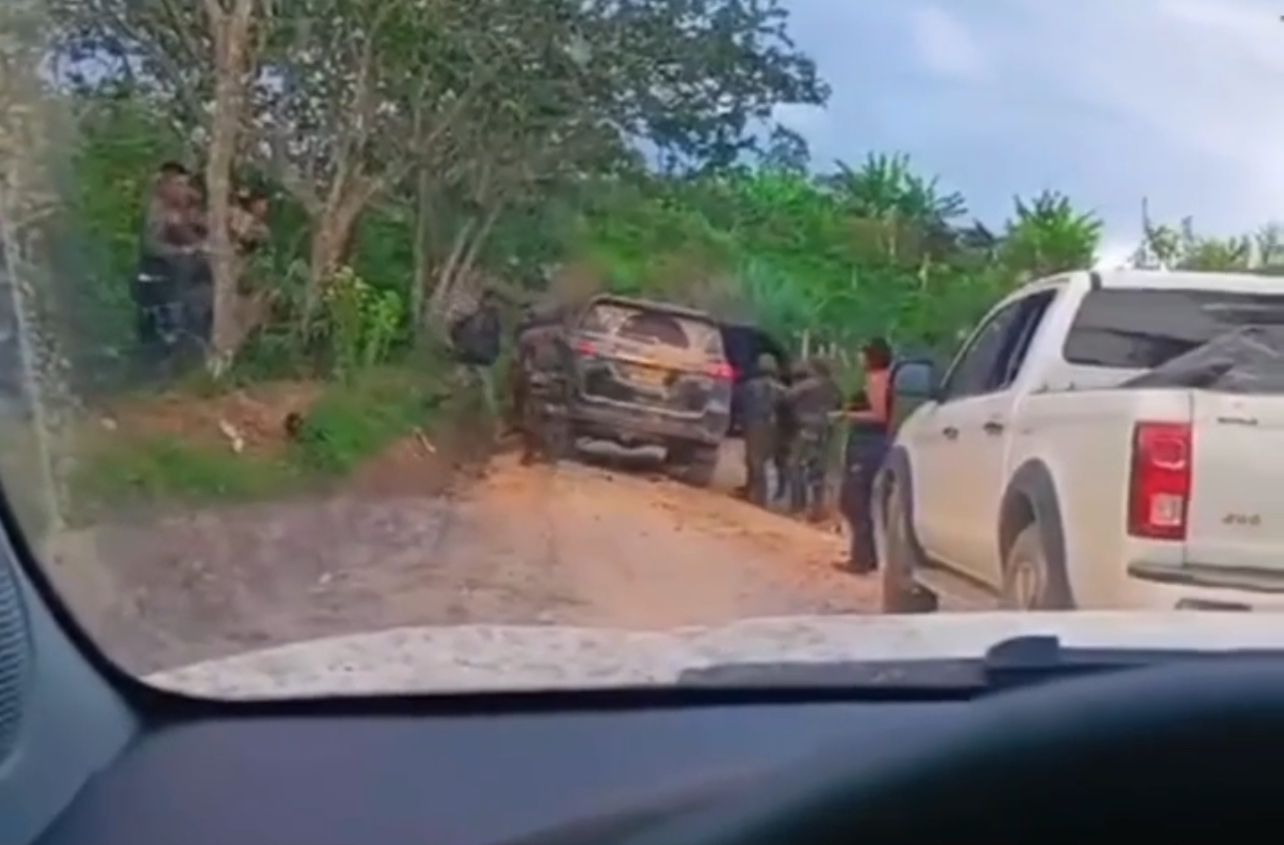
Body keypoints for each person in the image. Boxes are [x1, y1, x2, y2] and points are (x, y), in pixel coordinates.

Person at [134, 161, 205, 374]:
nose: (183, 189)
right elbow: (151, 245)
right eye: (178, 184)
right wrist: (182, 252)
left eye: (185, 184)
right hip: (157, 280)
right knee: (167, 332)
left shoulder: (183, 209)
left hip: (180, 279)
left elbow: (198, 227)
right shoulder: (158, 210)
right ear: (165, 185)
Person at [841, 337, 895, 573]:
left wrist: (847, 416)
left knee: (854, 500)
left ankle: (862, 558)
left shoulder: (876, 379)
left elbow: (880, 415)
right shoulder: (883, 378)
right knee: (855, 500)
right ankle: (864, 555)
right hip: (870, 444)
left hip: (869, 444)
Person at [783, 358, 842, 518]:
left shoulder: (808, 385)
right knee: (818, 470)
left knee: (796, 466)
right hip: (826, 430)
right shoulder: (834, 387)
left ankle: (798, 506)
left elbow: (787, 398)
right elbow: (840, 407)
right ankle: (818, 508)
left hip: (806, 428)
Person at [514, 306, 571, 465]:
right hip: (557, 380)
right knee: (557, 417)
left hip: (535, 379)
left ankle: (530, 451)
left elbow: (519, 362)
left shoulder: (527, 336)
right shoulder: (565, 336)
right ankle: (549, 452)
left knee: (530, 416)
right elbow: (571, 362)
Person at [738, 353, 786, 507]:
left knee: (754, 460)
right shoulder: (782, 389)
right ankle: (755, 493)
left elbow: (742, 404)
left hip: (754, 424)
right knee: (763, 461)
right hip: (774, 427)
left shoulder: (750, 385)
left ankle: (759, 497)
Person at [449, 290, 503, 423]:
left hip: (470, 355)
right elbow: (496, 341)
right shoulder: (490, 318)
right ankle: (493, 419)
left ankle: (490, 419)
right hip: (478, 357)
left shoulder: (476, 315)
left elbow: (455, 330)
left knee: (460, 382)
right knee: (486, 389)